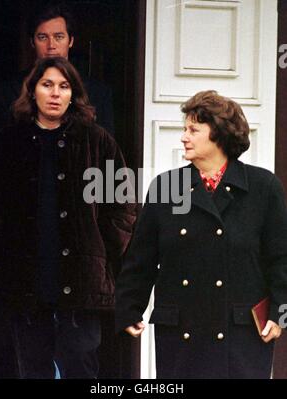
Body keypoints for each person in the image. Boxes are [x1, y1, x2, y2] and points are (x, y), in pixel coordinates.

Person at [115, 90, 287, 379]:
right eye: (184, 129)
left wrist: (280, 313)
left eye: (193, 130)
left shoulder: (263, 187)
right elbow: (140, 259)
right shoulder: (167, 187)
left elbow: (281, 258)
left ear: (219, 134)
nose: (184, 136)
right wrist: (129, 308)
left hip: (240, 336)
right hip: (182, 334)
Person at [0, 56, 136, 378]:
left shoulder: (97, 141)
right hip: (26, 280)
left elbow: (123, 208)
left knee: (81, 364)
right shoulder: (7, 143)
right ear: (33, 92)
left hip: (82, 281)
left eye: (64, 86)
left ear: (74, 94)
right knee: (32, 368)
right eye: (47, 84)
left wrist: (112, 264)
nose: (55, 93)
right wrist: (1, 252)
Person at [0, 3, 114, 149]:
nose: (51, 45)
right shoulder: (5, 92)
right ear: (32, 42)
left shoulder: (99, 93)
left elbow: (106, 153)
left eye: (59, 37)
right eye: (42, 37)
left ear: (71, 41)